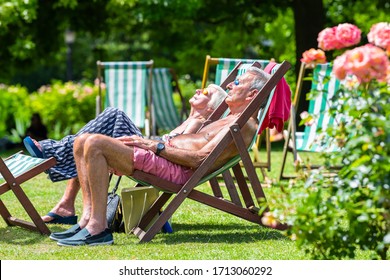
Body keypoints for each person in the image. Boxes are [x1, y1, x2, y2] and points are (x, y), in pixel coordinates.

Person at [51, 66, 271, 246]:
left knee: (96, 143)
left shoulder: (242, 125)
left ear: (252, 94)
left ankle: (98, 228)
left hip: (175, 168)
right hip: (165, 157)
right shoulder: (229, 118)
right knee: (82, 140)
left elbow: (199, 160)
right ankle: (87, 220)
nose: (231, 85)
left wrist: (154, 146)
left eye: (238, 83)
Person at [25, 85, 227, 223]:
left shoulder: (197, 123)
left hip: (151, 153)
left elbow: (175, 152)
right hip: (148, 147)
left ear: (210, 107)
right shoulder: (189, 120)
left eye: (207, 92)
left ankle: (53, 151)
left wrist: (149, 142)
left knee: (115, 115)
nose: (200, 90)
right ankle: (65, 203)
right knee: (99, 130)